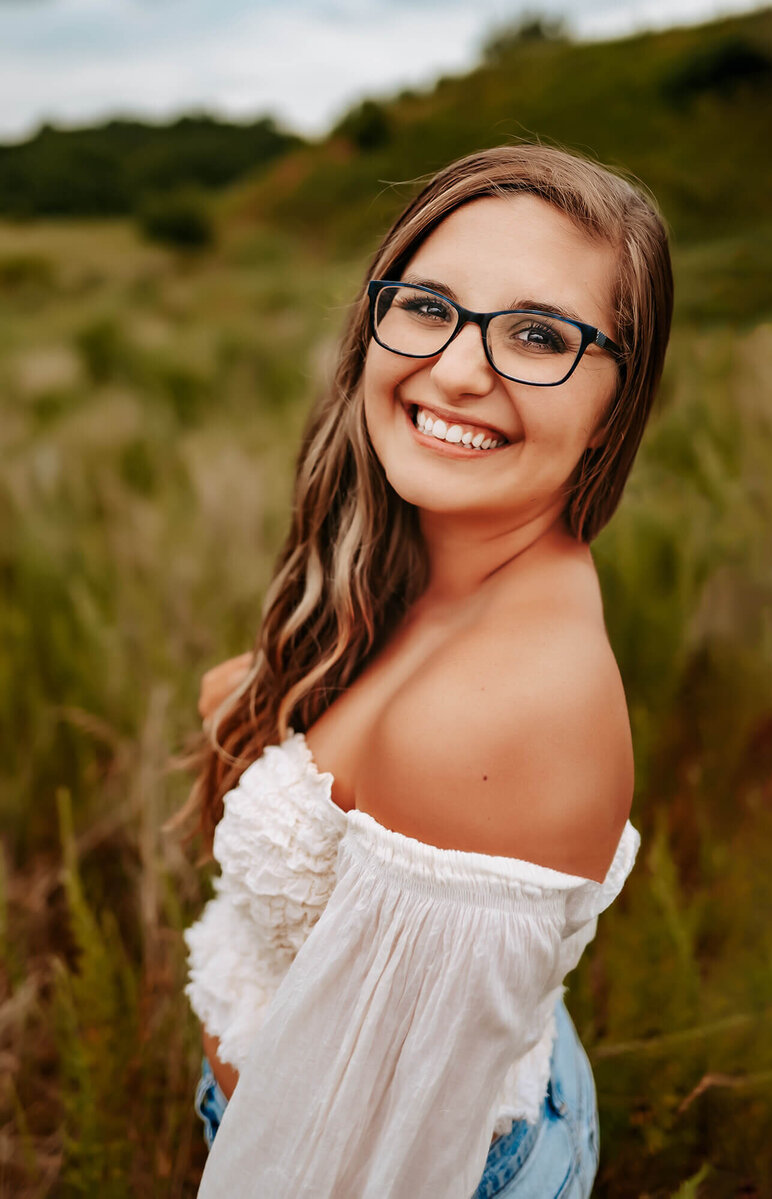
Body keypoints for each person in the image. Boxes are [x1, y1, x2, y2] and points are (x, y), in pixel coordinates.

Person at [179, 142, 673, 1197]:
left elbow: (375, 1163)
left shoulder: (489, 717)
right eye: (428, 305)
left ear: (613, 409)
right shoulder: (443, 553)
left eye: (538, 334)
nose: (455, 370)